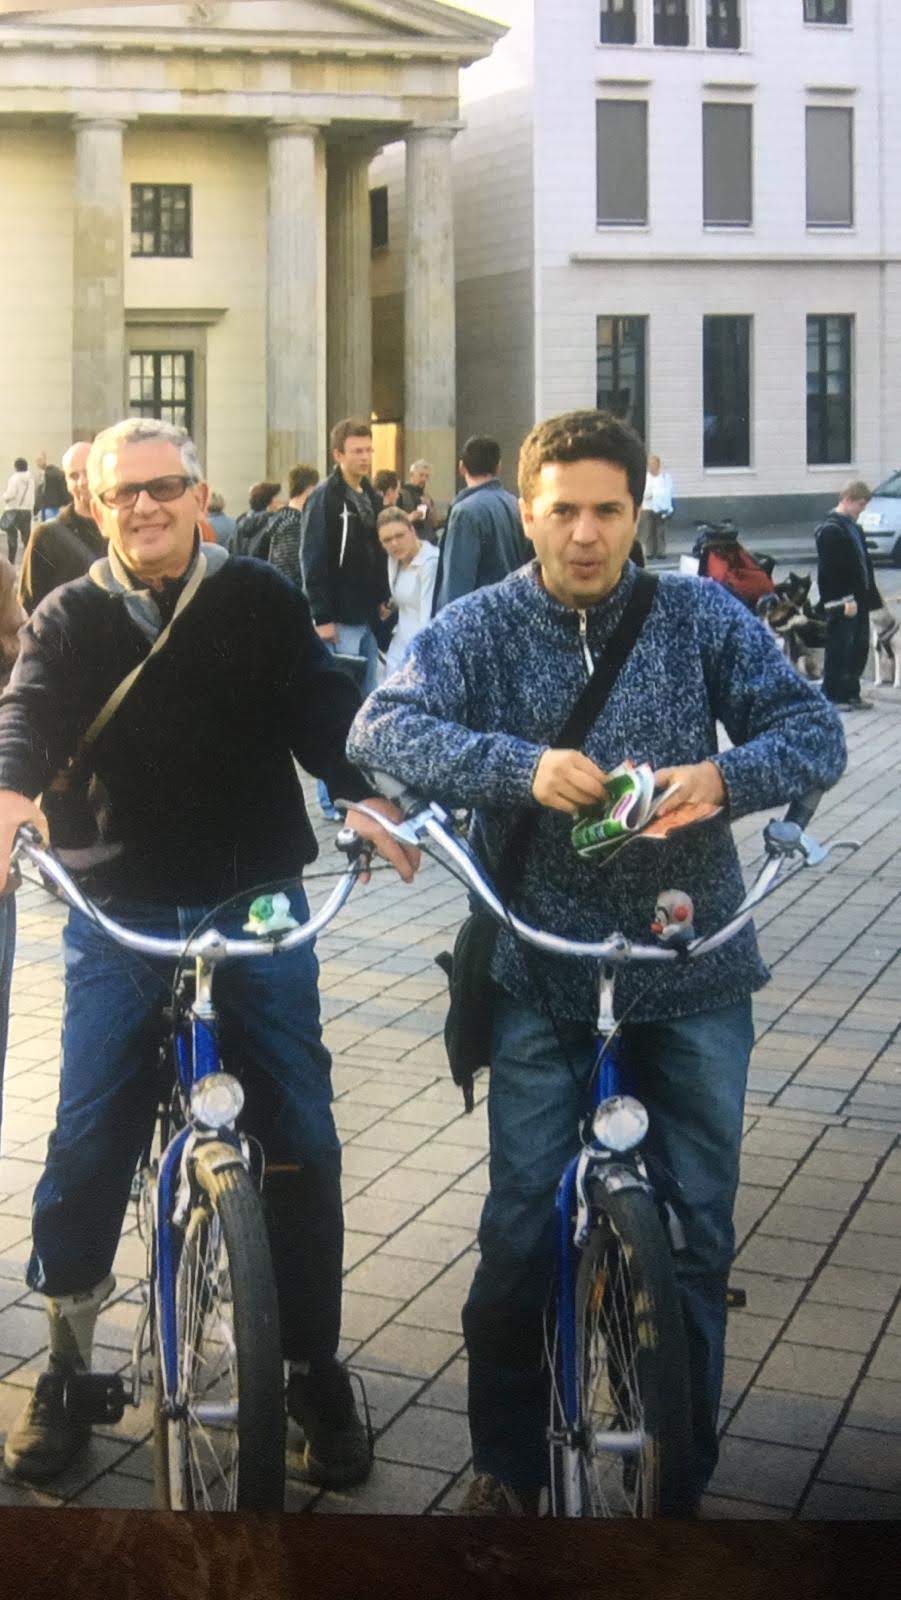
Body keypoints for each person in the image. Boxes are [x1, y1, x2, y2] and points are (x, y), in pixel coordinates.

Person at [347, 408, 846, 1516]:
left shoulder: (699, 614)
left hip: (695, 964)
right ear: (526, 510)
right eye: (561, 510)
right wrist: (518, 767)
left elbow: (812, 730)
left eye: (606, 511)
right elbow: (381, 729)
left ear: (638, 512)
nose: (583, 534)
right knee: (520, 1228)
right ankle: (506, 1469)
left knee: (700, 1237)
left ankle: (681, 1485)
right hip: (540, 969)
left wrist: (720, 780)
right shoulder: (476, 625)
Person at [0, 415, 414, 1488]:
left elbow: (324, 709)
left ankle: (315, 1366)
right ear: (92, 507)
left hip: (256, 896)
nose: (144, 506)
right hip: (118, 903)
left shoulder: (257, 597)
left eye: (164, 486)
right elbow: (28, 714)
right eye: (122, 492)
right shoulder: (69, 613)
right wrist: (8, 798)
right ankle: (69, 1363)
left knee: (305, 1133)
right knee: (89, 1126)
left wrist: (362, 794)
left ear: (200, 490)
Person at [300, 418, 388, 820]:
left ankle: (360, 789)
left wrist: (383, 600)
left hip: (367, 617)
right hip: (339, 618)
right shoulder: (326, 498)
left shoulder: (369, 494)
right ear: (338, 455)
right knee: (337, 709)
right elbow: (312, 559)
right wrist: (321, 616)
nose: (365, 457)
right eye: (357, 451)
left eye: (368, 450)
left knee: (366, 708)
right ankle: (333, 796)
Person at [432, 435, 529, 614]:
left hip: (479, 620)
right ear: (499, 467)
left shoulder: (465, 512)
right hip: (512, 612)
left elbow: (457, 584)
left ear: (461, 467)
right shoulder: (515, 504)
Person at [18, 442, 107, 615]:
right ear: (66, 482)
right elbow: (29, 605)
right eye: (74, 476)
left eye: (89, 472)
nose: (83, 481)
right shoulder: (46, 536)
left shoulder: (126, 528)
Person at [815, 481, 881, 712]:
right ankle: (833, 694)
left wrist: (870, 596)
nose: (862, 510)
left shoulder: (852, 527)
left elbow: (863, 564)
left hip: (859, 598)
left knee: (858, 647)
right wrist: (843, 601)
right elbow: (830, 572)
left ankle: (851, 692)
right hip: (845, 601)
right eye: (861, 504)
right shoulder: (831, 530)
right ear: (848, 499)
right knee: (840, 647)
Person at [376, 507, 440, 677]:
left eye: (400, 535)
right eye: (387, 540)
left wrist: (419, 659)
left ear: (412, 531)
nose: (394, 543)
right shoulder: (393, 560)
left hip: (419, 650)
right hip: (398, 643)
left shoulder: (430, 563)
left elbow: (426, 618)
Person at [268, 465, 319, 587]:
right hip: (294, 598)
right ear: (309, 489)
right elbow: (294, 570)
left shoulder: (284, 519)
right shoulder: (294, 524)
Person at [233, 480, 283, 559]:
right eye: (276, 497)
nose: (279, 500)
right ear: (271, 500)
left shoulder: (240, 522)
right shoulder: (274, 523)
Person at [638, 453, 674, 560]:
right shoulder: (645, 477)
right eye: (650, 465)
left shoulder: (664, 477)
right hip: (648, 507)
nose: (651, 467)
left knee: (660, 531)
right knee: (648, 531)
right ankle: (649, 552)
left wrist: (660, 496)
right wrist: (653, 493)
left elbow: (669, 491)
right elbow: (643, 492)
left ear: (658, 465)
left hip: (661, 507)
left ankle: (661, 552)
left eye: (654, 464)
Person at [2, 458, 35, 562]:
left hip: (13, 510)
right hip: (26, 511)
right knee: (26, 538)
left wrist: (4, 496)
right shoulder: (31, 479)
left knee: (12, 537)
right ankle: (28, 562)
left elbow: (11, 494)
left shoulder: (14, 478)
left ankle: (11, 561)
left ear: (16, 467)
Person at [400, 460, 439, 543]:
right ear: (412, 475)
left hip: (430, 541)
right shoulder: (401, 494)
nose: (424, 479)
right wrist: (411, 517)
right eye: (421, 475)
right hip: (411, 541)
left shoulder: (426, 496)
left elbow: (435, 523)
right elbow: (395, 521)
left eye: (427, 476)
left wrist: (430, 507)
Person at [33, 453, 68, 525]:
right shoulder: (40, 475)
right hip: (44, 508)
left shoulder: (54, 473)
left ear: (45, 459)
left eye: (40, 460)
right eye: (37, 460)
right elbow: (38, 494)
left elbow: (63, 489)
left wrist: (65, 503)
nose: (38, 462)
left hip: (53, 507)